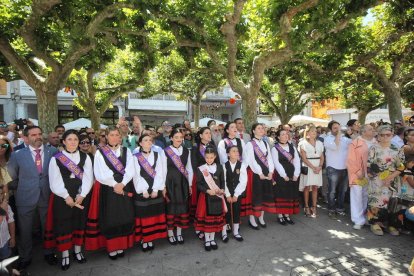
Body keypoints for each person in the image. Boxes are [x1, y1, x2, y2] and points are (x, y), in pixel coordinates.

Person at [7, 126, 58, 271]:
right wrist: (25, 186)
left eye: (40, 134)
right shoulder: (17, 155)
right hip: (25, 198)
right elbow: (12, 178)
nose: (38, 137)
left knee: (47, 227)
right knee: (25, 229)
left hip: (47, 196)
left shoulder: (53, 152)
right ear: (26, 138)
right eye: (34, 134)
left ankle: (49, 252)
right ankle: (25, 257)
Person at [44, 130, 94, 270]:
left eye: (75, 140)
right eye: (70, 139)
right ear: (64, 141)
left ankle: (77, 251)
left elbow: (88, 177)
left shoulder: (86, 157)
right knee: (63, 224)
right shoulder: (57, 158)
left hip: (81, 195)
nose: (73, 142)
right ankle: (65, 253)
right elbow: (54, 180)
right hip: (62, 196)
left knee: (79, 221)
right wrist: (66, 196)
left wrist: (82, 195)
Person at [85, 126, 135, 259]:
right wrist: (115, 184)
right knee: (111, 217)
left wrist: (123, 184)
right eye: (111, 135)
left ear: (120, 137)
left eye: (116, 135)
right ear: (106, 137)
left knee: (124, 215)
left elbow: (131, 169)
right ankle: (112, 247)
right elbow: (100, 172)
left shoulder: (127, 151)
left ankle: (121, 245)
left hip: (124, 186)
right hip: (109, 188)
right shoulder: (101, 152)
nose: (114, 137)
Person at [367, 125, 405, 236]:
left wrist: (390, 177)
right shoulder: (373, 148)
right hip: (377, 179)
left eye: (387, 135)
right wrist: (383, 177)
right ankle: (375, 223)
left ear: (392, 135)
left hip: (393, 179)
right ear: (378, 136)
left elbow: (401, 166)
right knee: (376, 200)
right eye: (381, 135)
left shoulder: (397, 148)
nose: (384, 137)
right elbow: (370, 164)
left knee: (393, 202)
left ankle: (391, 225)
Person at [132, 134, 167, 252]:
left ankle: (150, 238)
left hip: (155, 189)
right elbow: (136, 175)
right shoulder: (135, 156)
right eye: (145, 140)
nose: (148, 142)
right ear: (140, 143)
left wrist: (156, 189)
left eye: (150, 140)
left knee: (153, 214)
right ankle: (144, 238)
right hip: (142, 189)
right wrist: (144, 190)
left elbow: (160, 172)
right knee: (144, 215)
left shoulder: (158, 154)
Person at [162, 128, 193, 245]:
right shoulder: (165, 151)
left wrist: (189, 184)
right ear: (171, 138)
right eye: (176, 137)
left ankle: (179, 233)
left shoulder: (186, 151)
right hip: (170, 183)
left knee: (182, 207)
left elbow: (189, 168)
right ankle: (170, 234)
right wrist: (163, 187)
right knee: (171, 208)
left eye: (181, 137)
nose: (179, 139)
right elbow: (162, 170)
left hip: (182, 182)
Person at [195, 147, 226, 251]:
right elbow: (198, 184)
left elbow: (222, 181)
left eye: (211, 157)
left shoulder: (220, 167)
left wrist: (222, 189)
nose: (209, 159)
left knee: (215, 219)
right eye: (207, 157)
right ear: (204, 157)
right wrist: (207, 190)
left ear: (215, 157)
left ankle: (212, 239)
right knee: (207, 220)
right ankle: (207, 240)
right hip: (205, 198)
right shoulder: (201, 168)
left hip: (217, 197)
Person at [245, 123, 274, 229]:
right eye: (258, 128)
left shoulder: (266, 143)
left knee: (264, 195)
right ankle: (252, 219)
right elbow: (251, 160)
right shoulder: (250, 144)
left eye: (262, 128)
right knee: (256, 196)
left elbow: (269, 158)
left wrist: (271, 171)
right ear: (253, 131)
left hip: (266, 173)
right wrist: (260, 172)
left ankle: (261, 217)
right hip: (256, 174)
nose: (261, 129)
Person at [346, 124, 375, 230]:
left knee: (366, 196)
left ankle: (365, 217)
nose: (373, 131)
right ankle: (357, 220)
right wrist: (359, 172)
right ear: (363, 132)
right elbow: (350, 160)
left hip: (371, 175)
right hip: (357, 174)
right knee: (356, 196)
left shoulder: (376, 142)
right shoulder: (355, 143)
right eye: (370, 129)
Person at [271, 129, 301, 225]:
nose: (285, 135)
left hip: (292, 173)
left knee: (290, 194)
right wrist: (283, 175)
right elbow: (276, 163)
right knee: (281, 194)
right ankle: (280, 216)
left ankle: (287, 215)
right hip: (280, 174)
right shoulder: (275, 148)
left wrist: (296, 174)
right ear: (278, 137)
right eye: (282, 134)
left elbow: (297, 161)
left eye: (286, 134)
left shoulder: (292, 147)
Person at [324, 121, 352, 219]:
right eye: (335, 128)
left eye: (339, 127)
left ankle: (340, 208)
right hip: (332, 168)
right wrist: (339, 134)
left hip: (344, 168)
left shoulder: (345, 139)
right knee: (332, 191)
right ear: (330, 129)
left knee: (342, 191)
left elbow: (355, 143)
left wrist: (351, 133)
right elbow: (335, 146)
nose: (338, 130)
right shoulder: (327, 139)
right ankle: (331, 209)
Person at [190, 127, 215, 240]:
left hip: (213, 179)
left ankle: (210, 226)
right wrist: (203, 177)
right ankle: (198, 228)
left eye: (210, 133)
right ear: (200, 135)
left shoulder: (213, 146)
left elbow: (217, 162)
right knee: (200, 206)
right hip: (200, 179)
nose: (209, 135)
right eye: (206, 133)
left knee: (210, 204)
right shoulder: (195, 148)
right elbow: (194, 164)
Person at [298, 125, 325, 217]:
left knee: (315, 187)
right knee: (306, 187)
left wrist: (320, 166)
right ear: (307, 133)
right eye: (312, 131)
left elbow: (322, 157)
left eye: (315, 131)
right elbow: (304, 159)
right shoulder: (302, 143)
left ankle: (314, 206)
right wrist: (314, 168)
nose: (314, 133)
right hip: (308, 166)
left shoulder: (320, 143)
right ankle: (306, 206)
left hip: (318, 166)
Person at [223, 146, 247, 242]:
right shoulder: (224, 166)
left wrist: (236, 194)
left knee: (236, 211)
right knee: (226, 213)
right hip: (227, 194)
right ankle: (224, 233)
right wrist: (228, 194)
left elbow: (243, 181)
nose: (237, 153)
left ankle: (236, 232)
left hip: (237, 194)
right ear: (228, 154)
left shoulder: (242, 165)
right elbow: (223, 181)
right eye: (233, 151)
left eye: (237, 151)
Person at [0, 186, 15, 261]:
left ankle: (9, 272)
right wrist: (2, 211)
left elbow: (11, 222)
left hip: (5, 241)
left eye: (1, 193)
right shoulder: (4, 208)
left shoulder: (7, 207)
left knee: (7, 261)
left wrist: (12, 237)